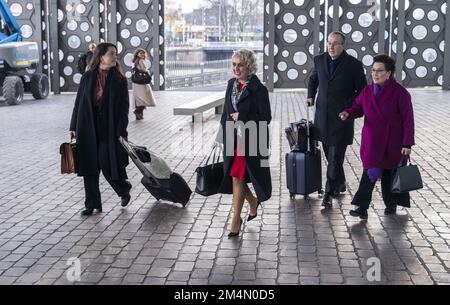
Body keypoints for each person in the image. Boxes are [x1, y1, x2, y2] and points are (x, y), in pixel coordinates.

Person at [339, 54, 415, 219]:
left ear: (389, 73)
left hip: (392, 142)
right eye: (373, 70)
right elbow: (358, 107)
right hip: (372, 141)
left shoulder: (401, 93)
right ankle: (361, 207)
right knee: (370, 173)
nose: (375, 74)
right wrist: (348, 113)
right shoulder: (367, 91)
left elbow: (408, 120)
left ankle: (391, 204)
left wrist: (407, 144)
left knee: (388, 175)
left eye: (379, 71)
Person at [69, 42, 132, 216]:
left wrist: (121, 132)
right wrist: (73, 126)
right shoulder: (87, 77)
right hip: (87, 125)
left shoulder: (120, 80)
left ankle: (123, 189)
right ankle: (92, 204)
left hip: (109, 128)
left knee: (106, 162)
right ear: (101, 56)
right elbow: (78, 103)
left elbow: (123, 110)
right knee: (89, 166)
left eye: (115, 54)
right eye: (112, 53)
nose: (115, 57)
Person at [306, 31, 367, 208]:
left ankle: (328, 194)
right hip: (322, 118)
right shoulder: (319, 60)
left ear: (343, 45)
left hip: (342, 119)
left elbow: (362, 92)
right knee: (329, 155)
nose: (331, 47)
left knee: (334, 158)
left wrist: (349, 108)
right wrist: (311, 96)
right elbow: (312, 80)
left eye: (335, 44)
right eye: (329, 43)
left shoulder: (354, 65)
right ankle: (339, 183)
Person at [219, 49, 272, 237]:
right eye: (233, 64)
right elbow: (226, 113)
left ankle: (235, 220)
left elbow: (266, 117)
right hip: (233, 138)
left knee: (237, 177)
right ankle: (251, 202)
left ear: (249, 66)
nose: (236, 68)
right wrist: (221, 135)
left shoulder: (259, 89)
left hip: (251, 139)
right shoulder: (231, 84)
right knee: (235, 176)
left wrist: (243, 116)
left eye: (240, 65)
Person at [132, 48, 156, 120]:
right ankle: (137, 112)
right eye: (140, 53)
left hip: (136, 82)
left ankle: (139, 115)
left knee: (138, 98)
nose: (142, 54)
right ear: (137, 54)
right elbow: (144, 70)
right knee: (144, 98)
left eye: (143, 53)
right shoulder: (141, 60)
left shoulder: (134, 61)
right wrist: (147, 72)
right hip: (142, 82)